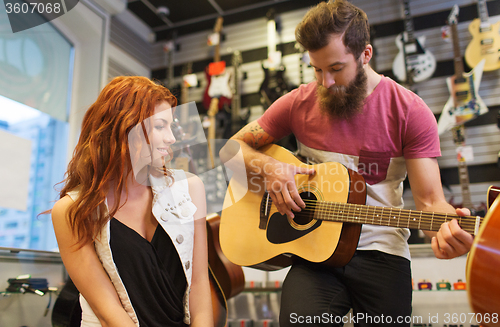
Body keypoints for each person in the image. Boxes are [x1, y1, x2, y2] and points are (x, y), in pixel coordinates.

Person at [221, 1, 474, 326]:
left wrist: (449, 230)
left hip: (383, 253)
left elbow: (429, 202)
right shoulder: (298, 103)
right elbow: (230, 150)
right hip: (314, 254)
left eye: (336, 68)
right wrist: (269, 168)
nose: (325, 82)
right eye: (316, 69)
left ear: (365, 54)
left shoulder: (410, 111)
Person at [51, 76, 213, 327]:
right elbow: (107, 311)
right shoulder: (72, 210)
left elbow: (200, 284)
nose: (171, 138)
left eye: (171, 127)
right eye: (160, 126)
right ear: (124, 128)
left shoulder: (190, 188)